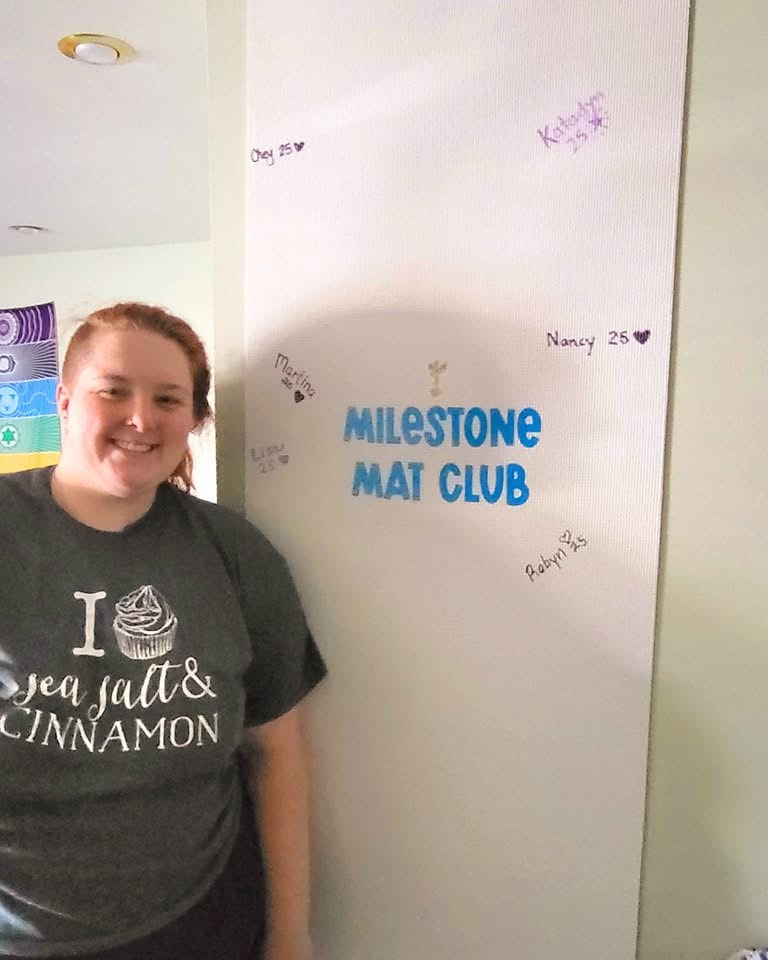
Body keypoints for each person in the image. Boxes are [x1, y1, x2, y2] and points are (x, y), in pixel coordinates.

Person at [0, 302, 326, 960]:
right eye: (113, 390)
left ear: (194, 419)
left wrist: (291, 936)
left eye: (168, 399)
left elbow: (276, 754)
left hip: (202, 920)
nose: (141, 418)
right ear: (64, 399)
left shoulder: (237, 553)